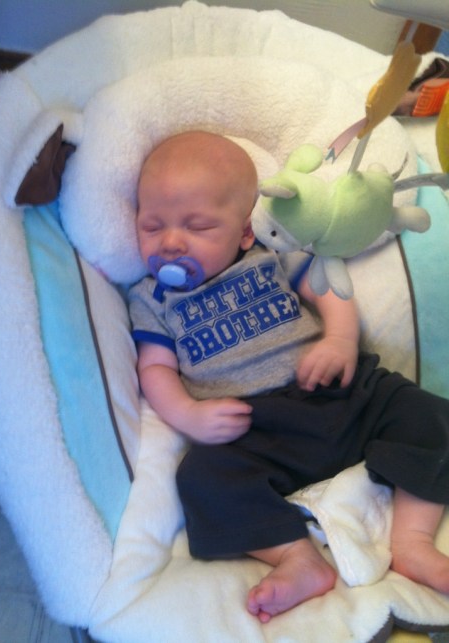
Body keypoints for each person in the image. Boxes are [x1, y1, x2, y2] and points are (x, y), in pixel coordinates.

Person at [128, 130, 449, 623]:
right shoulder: (152, 298)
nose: (170, 243)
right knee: (200, 478)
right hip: (254, 430)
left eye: (197, 226)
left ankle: (413, 542)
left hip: (334, 393)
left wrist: (338, 341)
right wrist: (187, 414)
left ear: (244, 232)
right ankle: (297, 558)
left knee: (425, 412)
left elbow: (329, 289)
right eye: (151, 227)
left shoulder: (270, 255)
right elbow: (154, 367)